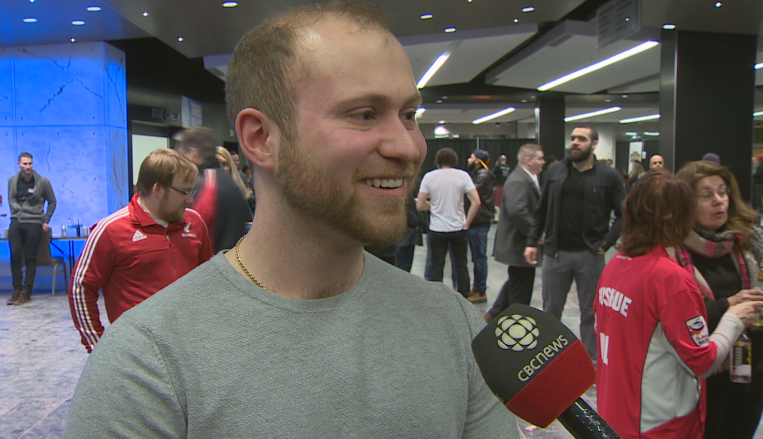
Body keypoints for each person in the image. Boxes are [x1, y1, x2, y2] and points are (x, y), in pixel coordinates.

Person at [64, 3, 518, 438]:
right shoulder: (146, 360)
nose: (408, 147)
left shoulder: (453, 325)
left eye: (409, 115)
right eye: (364, 114)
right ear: (261, 139)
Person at [594, 170, 763, 439]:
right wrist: (734, 317)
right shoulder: (670, 279)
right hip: (661, 424)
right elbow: (703, 362)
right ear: (679, 216)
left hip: (619, 413)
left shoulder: (614, 267)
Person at [68, 149, 213, 353]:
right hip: (137, 352)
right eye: (184, 192)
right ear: (158, 189)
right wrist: (97, 347)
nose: (190, 200)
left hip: (189, 347)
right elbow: (80, 288)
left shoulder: (195, 223)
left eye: (193, 191)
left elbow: (207, 280)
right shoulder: (111, 230)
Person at [675, 160, 763, 439]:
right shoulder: (672, 252)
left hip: (750, 367)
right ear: (686, 202)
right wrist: (730, 306)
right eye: (706, 194)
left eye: (723, 192)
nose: (718, 201)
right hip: (701, 373)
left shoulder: (749, 242)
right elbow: (680, 318)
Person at [524, 125, 626, 361]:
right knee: (551, 310)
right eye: (573, 138)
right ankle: (549, 359)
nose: (576, 142)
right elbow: (542, 209)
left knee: (591, 312)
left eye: (582, 139)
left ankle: (591, 361)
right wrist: (532, 241)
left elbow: (623, 214)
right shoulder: (556, 171)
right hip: (555, 253)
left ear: (594, 144)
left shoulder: (608, 176)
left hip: (589, 254)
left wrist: (607, 242)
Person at [485, 144, 545, 322]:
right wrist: (536, 235)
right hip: (519, 244)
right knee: (521, 289)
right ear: (528, 160)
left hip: (520, 244)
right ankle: (516, 323)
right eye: (540, 158)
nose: (543, 162)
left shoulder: (527, 178)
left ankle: (493, 314)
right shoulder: (519, 180)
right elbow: (517, 212)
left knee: (517, 281)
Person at [174, 126, 253, 252]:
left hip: (209, 265)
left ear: (193, 153)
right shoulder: (230, 184)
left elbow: (193, 236)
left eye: (180, 153)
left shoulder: (204, 186)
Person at [418, 147, 481, 298]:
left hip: (437, 229)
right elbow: (476, 202)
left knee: (436, 266)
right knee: (461, 265)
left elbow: (420, 205)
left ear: (437, 161)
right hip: (458, 228)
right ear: (454, 160)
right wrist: (467, 223)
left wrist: (433, 206)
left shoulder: (429, 176)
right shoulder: (463, 175)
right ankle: (464, 296)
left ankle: (436, 298)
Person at [6, 152, 56, 306]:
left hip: (34, 222)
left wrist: (46, 220)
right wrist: (19, 211)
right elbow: (11, 200)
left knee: (30, 257)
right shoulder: (12, 181)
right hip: (16, 221)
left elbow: (52, 201)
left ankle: (27, 291)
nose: (27, 167)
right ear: (18, 164)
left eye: (30, 164)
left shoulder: (42, 182)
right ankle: (17, 289)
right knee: (15, 256)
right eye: (24, 164)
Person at [465, 149, 495, 303]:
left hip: (480, 221)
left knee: (479, 257)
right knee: (476, 257)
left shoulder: (483, 176)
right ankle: (476, 287)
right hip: (477, 221)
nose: (468, 159)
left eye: (471, 157)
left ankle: (480, 289)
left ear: (477, 160)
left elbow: (470, 193)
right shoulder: (477, 174)